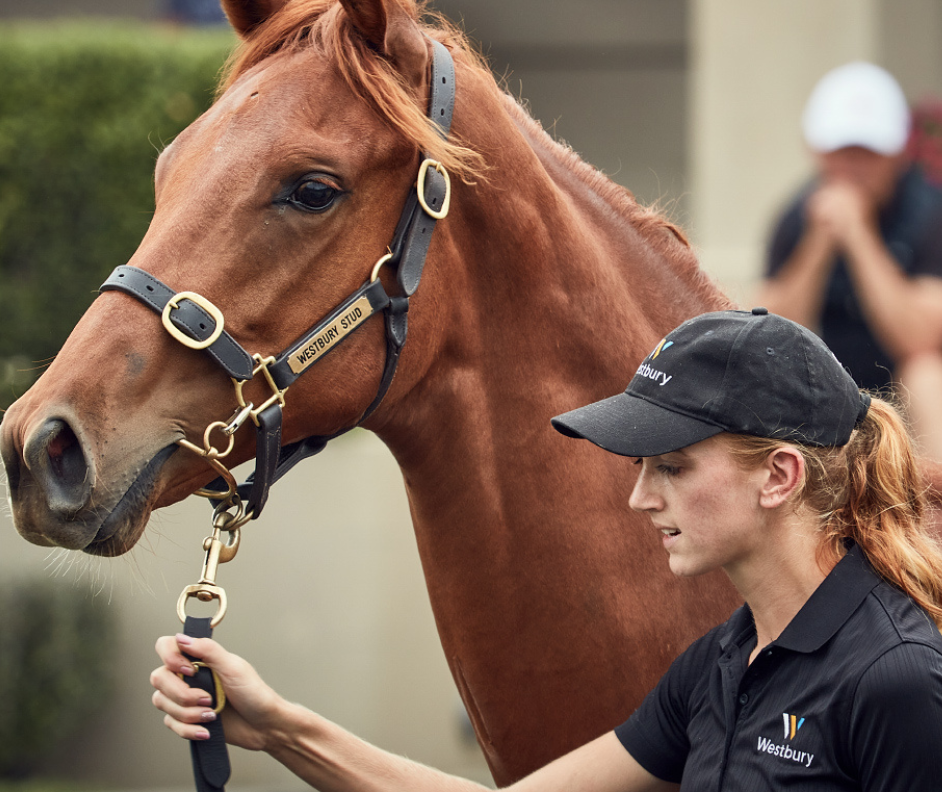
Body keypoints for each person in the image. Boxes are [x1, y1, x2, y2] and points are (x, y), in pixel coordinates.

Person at [151, 308, 942, 790]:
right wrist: (280, 728)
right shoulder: (721, 665)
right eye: (640, 469)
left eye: (671, 467)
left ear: (779, 476)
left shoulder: (898, 679)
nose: (640, 498)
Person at [758, 61, 942, 461]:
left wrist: (859, 237)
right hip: (829, 388)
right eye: (842, 152)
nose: (854, 168)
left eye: (868, 153)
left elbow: (920, 339)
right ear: (818, 151)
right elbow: (770, 337)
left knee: (926, 375)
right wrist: (819, 242)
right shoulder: (796, 218)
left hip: (905, 394)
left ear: (898, 153)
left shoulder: (930, 213)